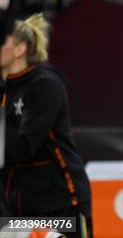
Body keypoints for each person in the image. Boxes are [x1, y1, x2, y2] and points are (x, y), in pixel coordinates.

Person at [0, 14, 92, 237]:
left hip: (60, 205)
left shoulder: (45, 85)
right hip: (20, 210)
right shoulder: (5, 89)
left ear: (20, 49)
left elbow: (23, 149)